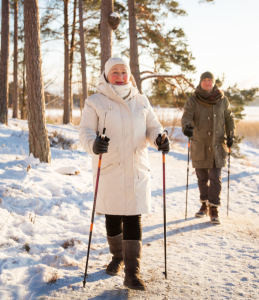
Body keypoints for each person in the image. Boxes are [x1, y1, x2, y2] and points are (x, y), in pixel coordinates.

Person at [78, 57, 169, 291]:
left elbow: (152, 126)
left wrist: (160, 138)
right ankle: (117, 257)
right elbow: (85, 131)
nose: (120, 75)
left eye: (124, 71)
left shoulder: (141, 100)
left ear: (129, 75)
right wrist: (93, 144)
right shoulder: (95, 101)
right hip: (109, 167)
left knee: (133, 216)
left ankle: (132, 272)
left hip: (137, 167)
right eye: (115, 72)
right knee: (112, 216)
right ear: (106, 75)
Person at [181, 71, 235, 224]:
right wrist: (187, 127)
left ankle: (214, 207)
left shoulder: (222, 99)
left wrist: (231, 134)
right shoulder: (193, 100)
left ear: (213, 82)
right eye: (204, 80)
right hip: (200, 144)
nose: (207, 83)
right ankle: (204, 204)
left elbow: (229, 118)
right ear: (200, 82)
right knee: (202, 178)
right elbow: (187, 115)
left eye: (209, 80)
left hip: (217, 145)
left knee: (215, 178)